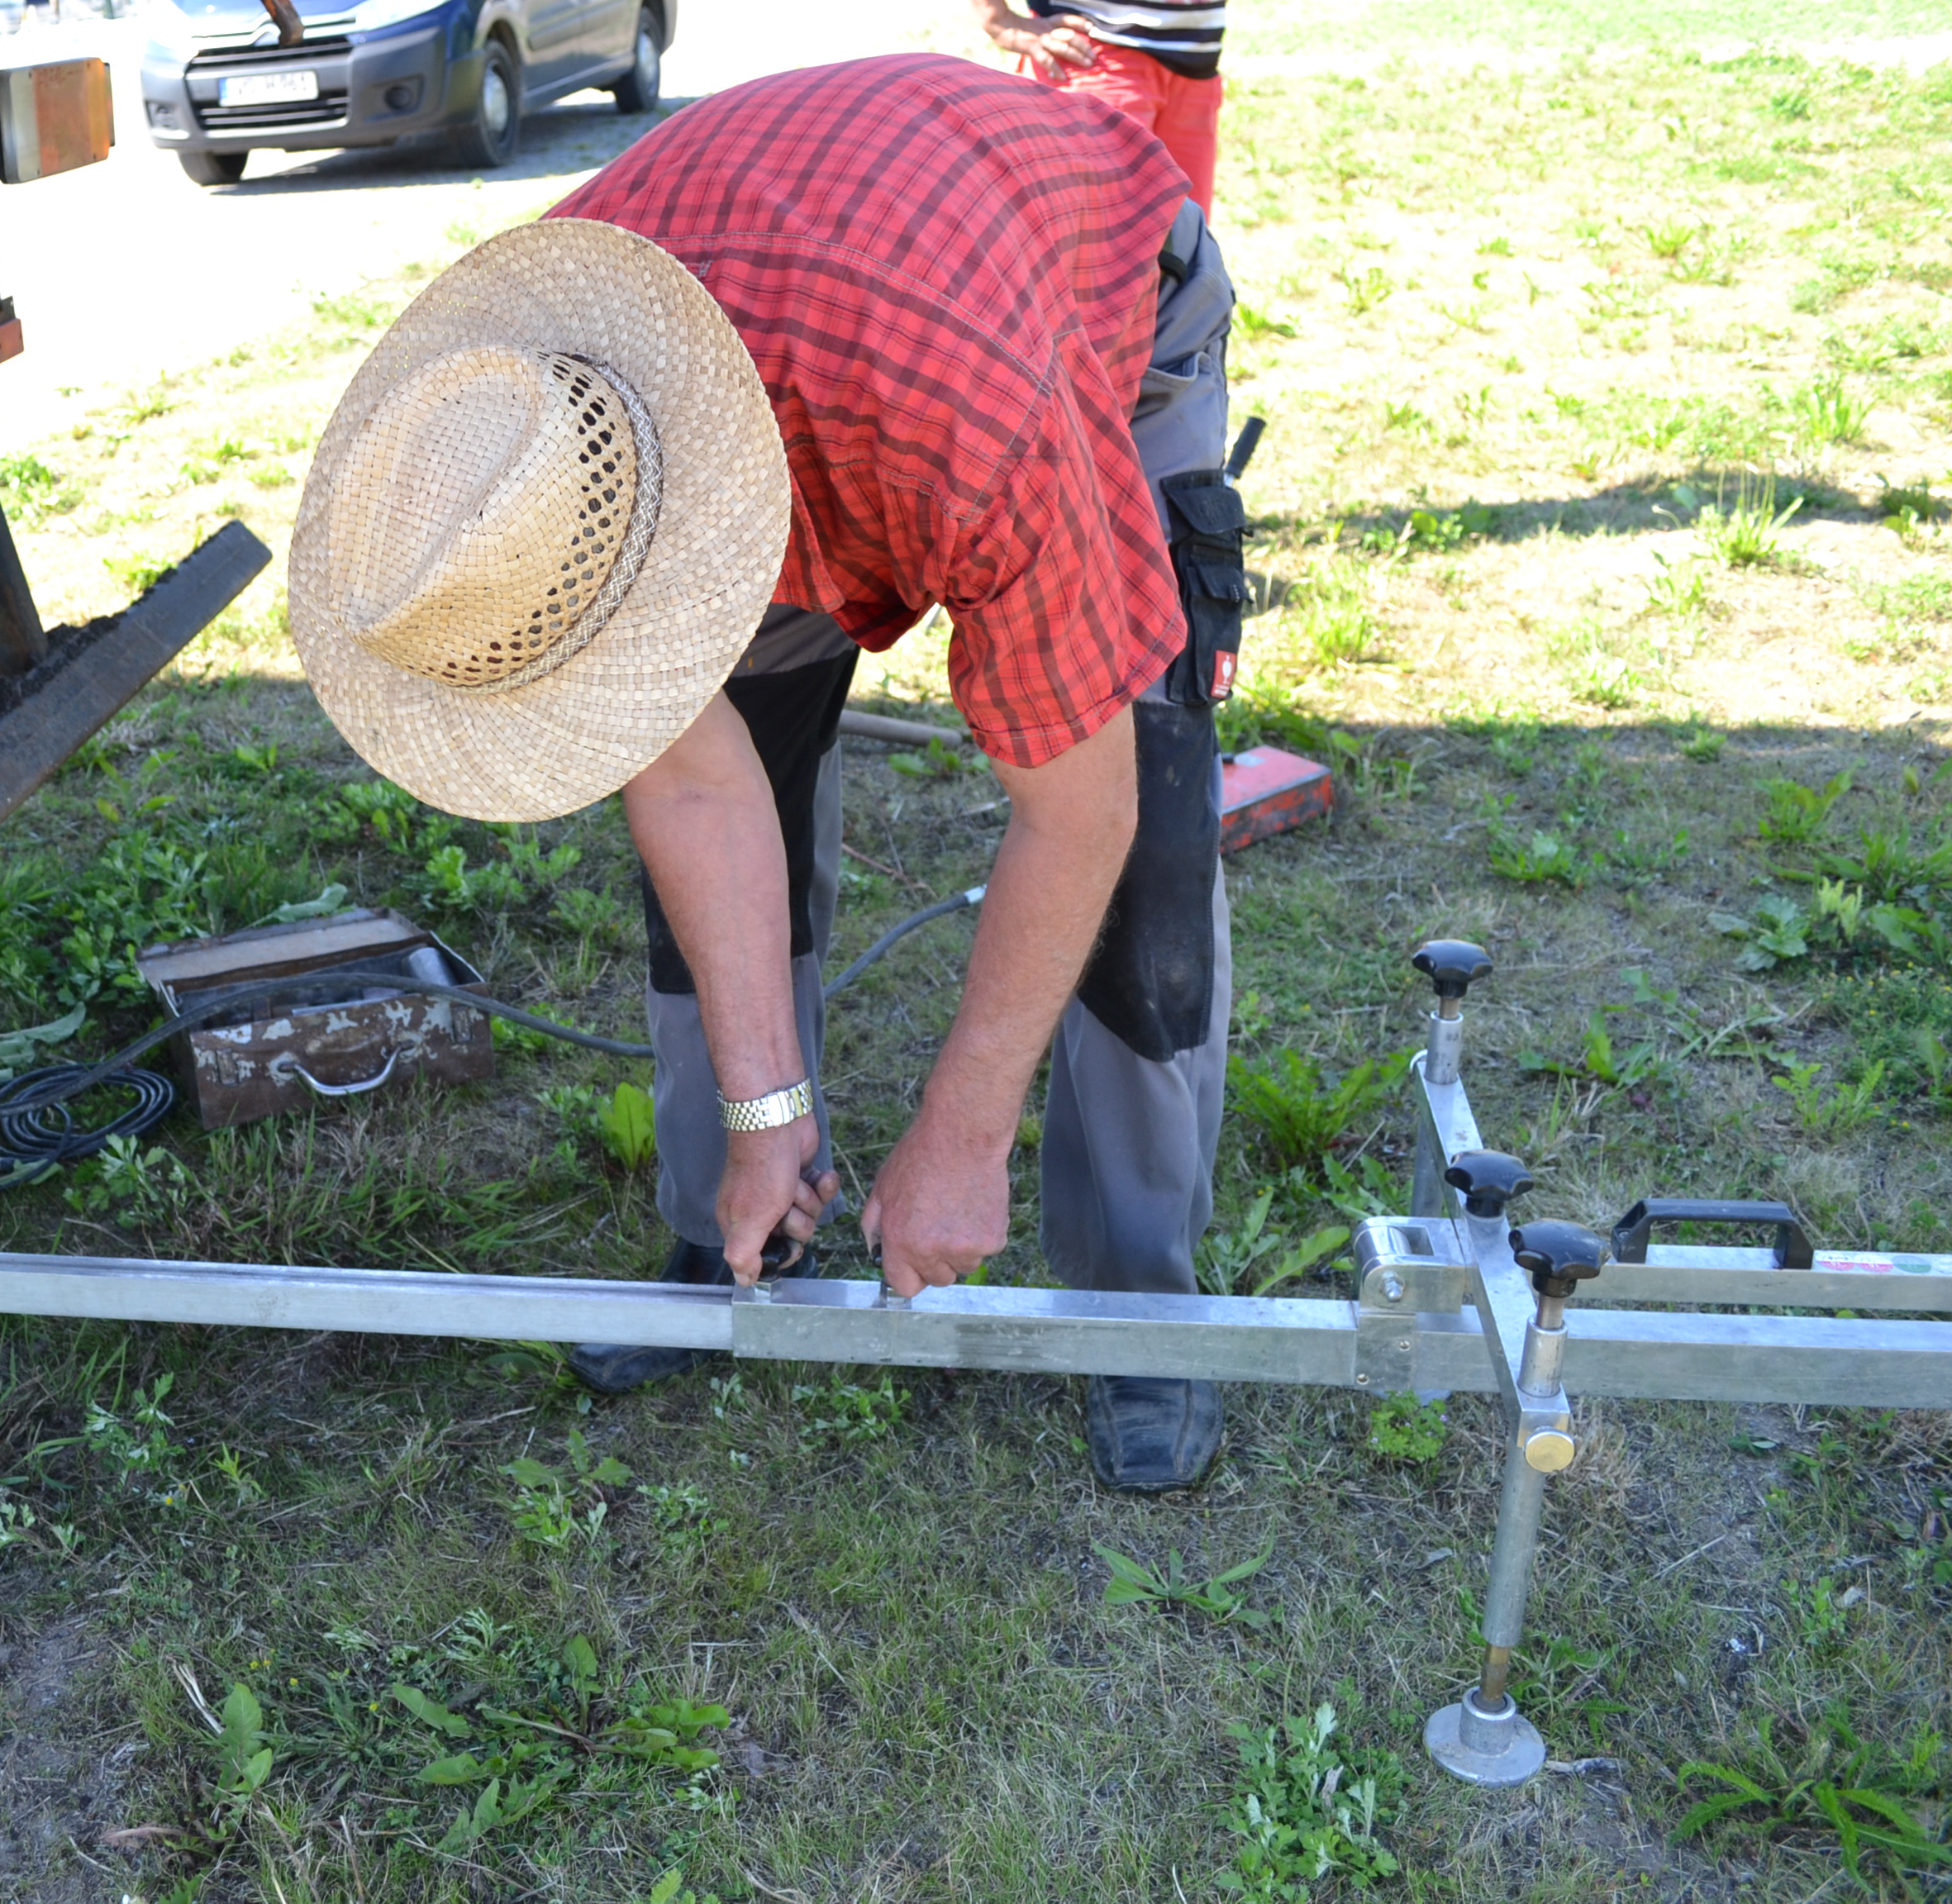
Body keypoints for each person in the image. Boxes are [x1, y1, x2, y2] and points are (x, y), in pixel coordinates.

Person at [284, 53, 1245, 1490]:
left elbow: (1080, 809)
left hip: (1074, 301)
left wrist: (962, 1132)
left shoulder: (972, 432)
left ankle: (1134, 1302)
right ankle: (734, 1222)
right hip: (810, 340)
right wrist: (762, 1111)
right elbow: (690, 785)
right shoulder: (524, 437)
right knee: (730, 779)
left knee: (1146, 817)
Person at [977, 0, 1228, 216]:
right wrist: (997, 20)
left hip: (1197, 61)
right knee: (1091, 242)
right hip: (1091, 55)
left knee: (1185, 246)